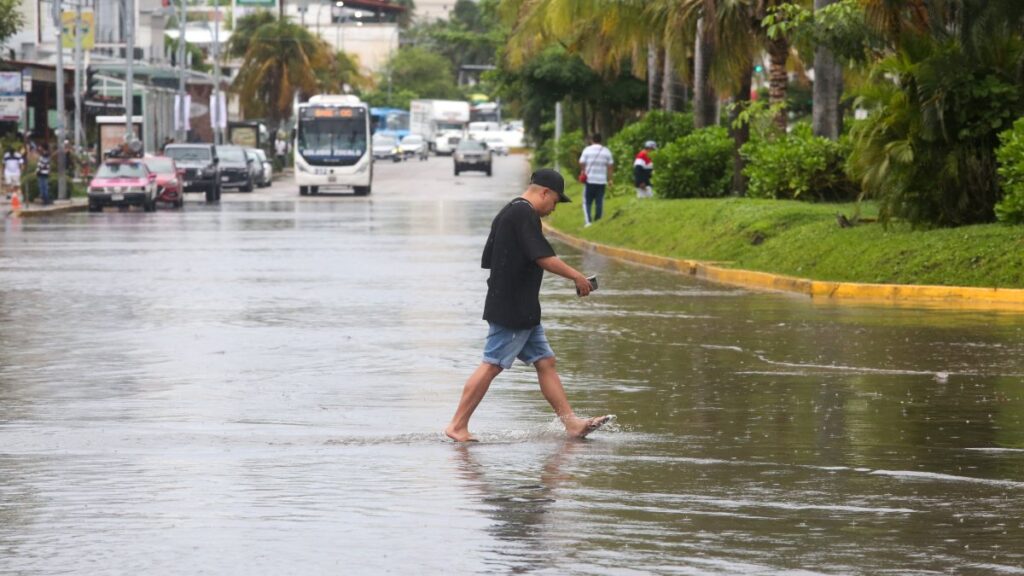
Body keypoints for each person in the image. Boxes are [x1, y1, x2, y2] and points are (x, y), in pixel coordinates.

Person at [445, 168, 613, 442]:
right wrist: (577, 276)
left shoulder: (509, 211)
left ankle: (572, 424)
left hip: (520, 306)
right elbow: (543, 257)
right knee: (492, 364)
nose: (554, 208)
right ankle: (457, 425)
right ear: (545, 192)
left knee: (545, 362)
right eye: (555, 201)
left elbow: (493, 259)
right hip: (513, 308)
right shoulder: (524, 214)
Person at [578, 133, 614, 227]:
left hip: (589, 180)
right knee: (599, 201)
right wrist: (610, 179)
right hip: (601, 181)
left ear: (592, 140)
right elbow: (610, 166)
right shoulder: (606, 151)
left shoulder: (587, 150)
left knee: (587, 202)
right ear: (601, 140)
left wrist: (583, 171)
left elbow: (581, 162)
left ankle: (588, 222)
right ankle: (598, 220)